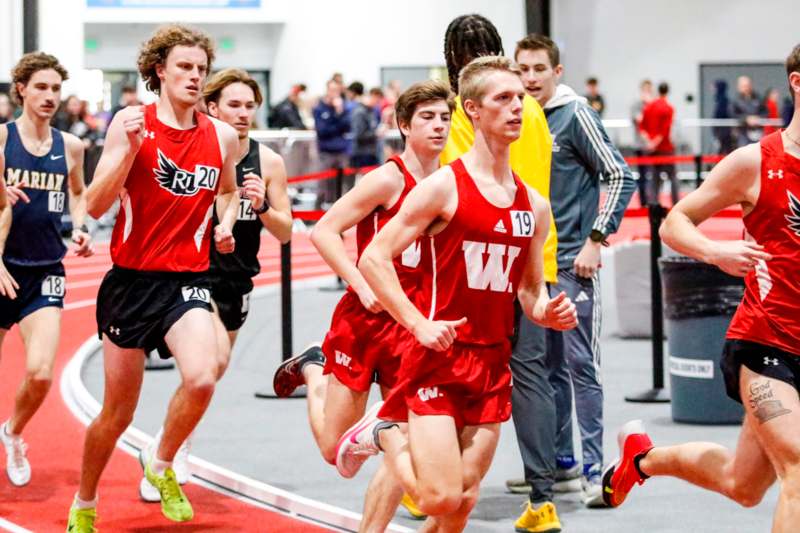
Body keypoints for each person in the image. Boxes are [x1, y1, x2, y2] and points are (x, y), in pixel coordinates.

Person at [338, 56, 577, 533]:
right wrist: (417, 323)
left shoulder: (535, 204)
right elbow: (373, 258)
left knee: (462, 501)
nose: (516, 108)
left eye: (520, 99)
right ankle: (383, 433)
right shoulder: (444, 187)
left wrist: (546, 311)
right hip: (438, 360)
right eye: (503, 99)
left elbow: (529, 290)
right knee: (437, 495)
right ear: (472, 109)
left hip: (492, 364)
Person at [603, 44, 800, 533]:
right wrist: (716, 253)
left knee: (743, 484)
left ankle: (641, 461)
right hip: (766, 341)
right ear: (798, 83)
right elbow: (676, 221)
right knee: (799, 468)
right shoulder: (756, 161)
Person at [66, 24, 240, 531]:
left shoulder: (221, 135)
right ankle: (84, 502)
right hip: (130, 282)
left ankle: (160, 461)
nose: (194, 76)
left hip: (186, 281)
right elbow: (95, 204)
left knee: (203, 376)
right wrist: (124, 153)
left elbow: (226, 191)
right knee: (116, 414)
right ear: (159, 71)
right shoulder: (130, 122)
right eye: (184, 67)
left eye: (201, 69)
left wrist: (225, 224)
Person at [272, 80, 454, 532]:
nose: (438, 126)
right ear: (404, 125)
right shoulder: (387, 178)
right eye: (428, 118)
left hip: (412, 326)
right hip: (365, 321)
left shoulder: (451, 183)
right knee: (335, 449)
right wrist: (360, 282)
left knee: (406, 434)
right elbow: (323, 231)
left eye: (445, 118)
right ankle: (315, 365)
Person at [138, 67, 292, 502]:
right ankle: (170, 456)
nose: (243, 114)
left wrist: (261, 206)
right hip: (195, 275)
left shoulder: (269, 162)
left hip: (237, 279)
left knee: (210, 373)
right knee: (211, 361)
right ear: (212, 106)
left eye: (249, 107)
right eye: (233, 105)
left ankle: (163, 445)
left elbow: (285, 232)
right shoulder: (200, 149)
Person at [433, 13, 559, 531]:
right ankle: (543, 499)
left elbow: (457, 186)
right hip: (534, 256)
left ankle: (437, 485)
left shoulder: (468, 111)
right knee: (532, 378)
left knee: (449, 372)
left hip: (478, 266)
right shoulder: (530, 108)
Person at [516, 34, 636, 513]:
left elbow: (621, 174)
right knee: (543, 370)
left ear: (556, 72)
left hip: (570, 261)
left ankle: (592, 469)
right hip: (529, 266)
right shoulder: (518, 119)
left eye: (539, 69)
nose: (529, 79)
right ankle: (560, 463)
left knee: (580, 365)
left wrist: (596, 238)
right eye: (522, 69)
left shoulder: (575, 114)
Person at [0, 51, 93, 489]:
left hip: (44, 272)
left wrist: (82, 226)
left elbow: (79, 192)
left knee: (39, 373)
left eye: (56, 88)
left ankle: (13, 433)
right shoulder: (1, 142)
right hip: (1, 267)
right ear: (21, 89)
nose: (49, 96)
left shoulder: (69, 146)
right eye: (40, 87)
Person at [640, 82, 678, 206]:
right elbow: (665, 131)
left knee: (654, 178)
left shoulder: (649, 107)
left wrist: (649, 142)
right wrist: (655, 143)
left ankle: (653, 203)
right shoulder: (669, 108)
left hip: (652, 149)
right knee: (672, 177)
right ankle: (676, 204)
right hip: (665, 148)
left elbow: (642, 126)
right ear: (667, 92)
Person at [313, 79, 351, 207]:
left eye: (337, 90)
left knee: (343, 188)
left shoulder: (343, 108)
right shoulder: (319, 108)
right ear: (327, 90)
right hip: (326, 152)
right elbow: (323, 131)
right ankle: (314, 216)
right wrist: (336, 122)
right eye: (332, 90)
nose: (334, 93)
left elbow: (347, 126)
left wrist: (339, 112)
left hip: (341, 151)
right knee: (323, 186)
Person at [348, 81, 381, 169]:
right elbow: (359, 135)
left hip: (371, 152)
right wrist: (376, 134)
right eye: (376, 100)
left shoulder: (371, 111)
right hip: (362, 154)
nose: (377, 103)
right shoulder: (359, 112)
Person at [632, 80, 654, 206]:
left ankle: (653, 200)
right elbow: (640, 120)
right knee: (642, 176)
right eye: (645, 90)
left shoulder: (654, 104)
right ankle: (643, 202)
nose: (647, 92)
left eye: (649, 90)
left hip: (653, 146)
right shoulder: (636, 105)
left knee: (654, 175)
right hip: (641, 145)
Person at [732, 75, 766, 147]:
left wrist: (758, 118)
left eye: (747, 85)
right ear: (739, 87)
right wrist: (746, 119)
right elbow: (733, 114)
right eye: (743, 86)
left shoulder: (758, 97)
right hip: (742, 133)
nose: (746, 88)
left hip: (758, 133)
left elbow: (765, 112)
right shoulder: (735, 100)